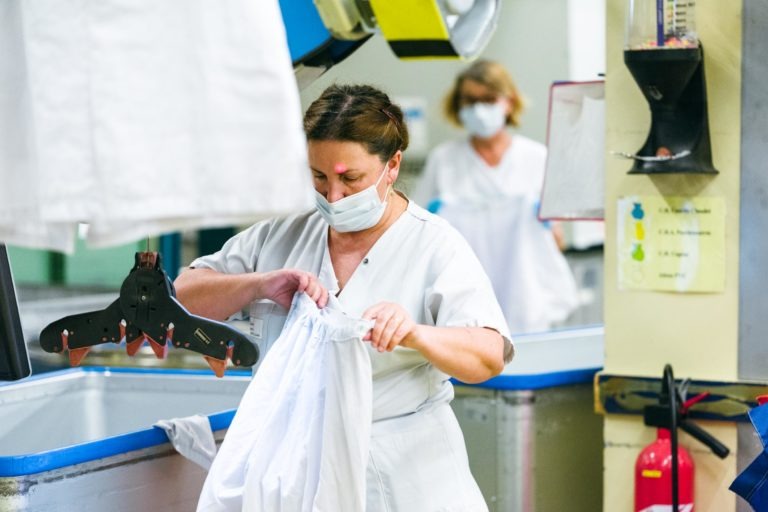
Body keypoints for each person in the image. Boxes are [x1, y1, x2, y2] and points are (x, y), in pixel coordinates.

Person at [175, 84, 513, 511]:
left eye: (350, 179)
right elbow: (183, 294)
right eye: (319, 177)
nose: (332, 196)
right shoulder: (284, 235)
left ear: (391, 166)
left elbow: (489, 354)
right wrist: (257, 284)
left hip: (406, 477)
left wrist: (416, 334)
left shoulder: (433, 244)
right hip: (300, 474)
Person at [412, 60, 579, 334]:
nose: (479, 109)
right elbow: (419, 230)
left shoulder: (536, 158)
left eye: (488, 99)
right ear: (458, 105)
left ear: (508, 102)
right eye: (470, 100)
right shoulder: (444, 160)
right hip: (464, 300)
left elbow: (557, 238)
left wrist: (546, 226)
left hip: (525, 298)